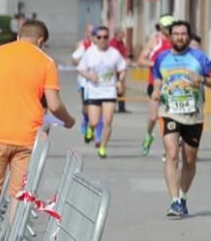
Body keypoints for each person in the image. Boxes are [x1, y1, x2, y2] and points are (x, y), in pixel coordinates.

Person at [0, 19, 75, 241]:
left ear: (18, 36)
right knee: (18, 196)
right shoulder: (46, 62)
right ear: (41, 41)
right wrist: (68, 121)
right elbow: (55, 104)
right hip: (27, 139)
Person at [151, 20, 211, 218]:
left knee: (189, 160)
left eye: (183, 34)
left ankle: (183, 196)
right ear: (170, 36)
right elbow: (157, 78)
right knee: (172, 154)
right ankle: (174, 201)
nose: (180, 37)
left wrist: (203, 79)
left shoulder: (200, 58)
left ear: (188, 37)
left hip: (193, 115)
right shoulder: (161, 58)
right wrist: (156, 90)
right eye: (176, 34)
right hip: (169, 112)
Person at [77, 26, 127, 158]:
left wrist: (120, 82)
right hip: (94, 90)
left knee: (108, 121)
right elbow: (81, 68)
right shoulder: (90, 52)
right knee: (94, 121)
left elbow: (122, 69)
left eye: (105, 37)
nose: (102, 39)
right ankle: (90, 129)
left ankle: (103, 147)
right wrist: (89, 76)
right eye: (99, 37)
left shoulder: (114, 53)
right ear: (95, 38)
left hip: (109, 90)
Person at [139, 14, 176, 157]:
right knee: (154, 117)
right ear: (161, 28)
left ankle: (168, 150)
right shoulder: (155, 41)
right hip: (154, 84)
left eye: (171, 27)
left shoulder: (177, 41)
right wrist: (155, 64)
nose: (169, 30)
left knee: (170, 120)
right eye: (166, 27)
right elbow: (141, 59)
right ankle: (148, 135)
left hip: (173, 87)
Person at [71, 25, 102, 143]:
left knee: (99, 109)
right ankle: (85, 120)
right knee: (86, 108)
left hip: (100, 84)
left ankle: (97, 134)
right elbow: (73, 59)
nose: (93, 36)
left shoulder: (104, 47)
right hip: (84, 82)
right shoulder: (84, 45)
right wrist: (83, 60)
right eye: (90, 33)